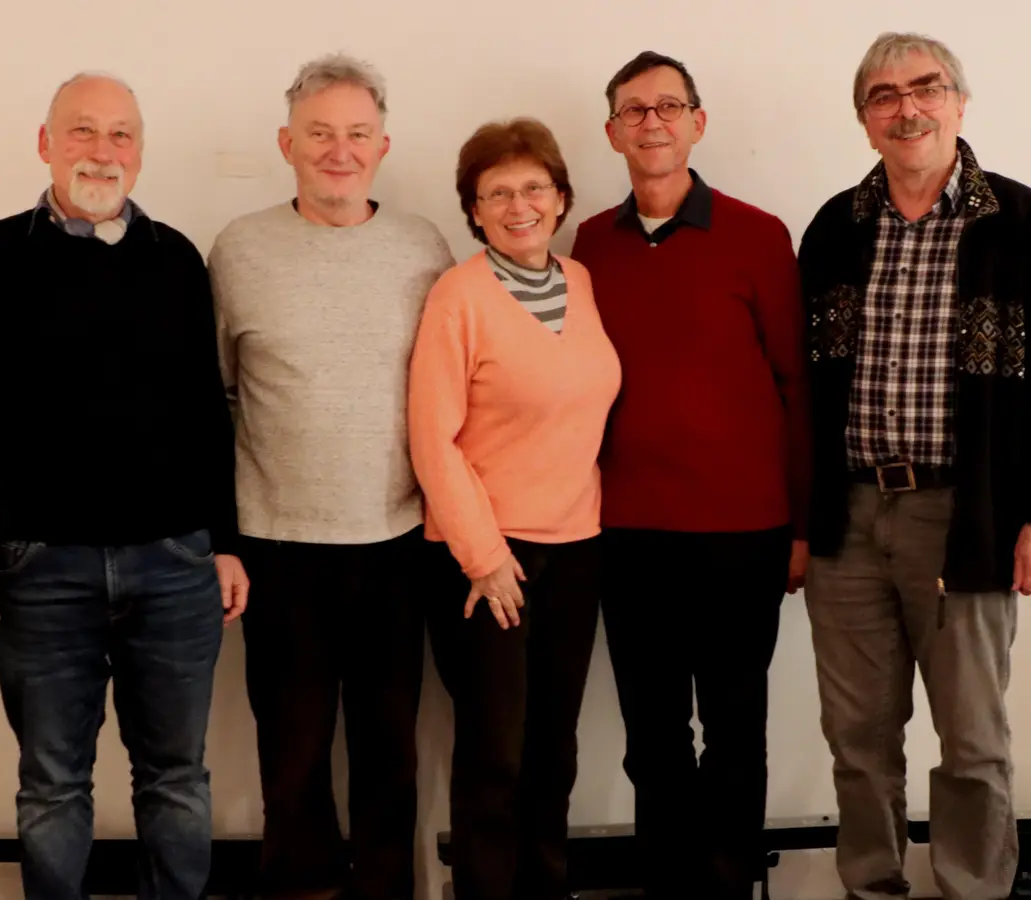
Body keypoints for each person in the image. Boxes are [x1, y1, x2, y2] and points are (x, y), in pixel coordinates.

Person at [0, 72, 246, 900]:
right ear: (46, 143)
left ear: (141, 151)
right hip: (40, 569)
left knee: (176, 775)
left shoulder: (176, 259)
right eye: (83, 131)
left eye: (121, 134)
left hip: (175, 564)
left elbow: (207, 415)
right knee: (53, 784)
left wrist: (227, 541)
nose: (103, 150)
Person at [797, 32, 1031, 900]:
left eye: (926, 89)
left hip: (966, 522)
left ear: (960, 104)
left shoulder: (1022, 224)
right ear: (865, 121)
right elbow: (801, 388)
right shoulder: (834, 229)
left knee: (972, 743)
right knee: (857, 740)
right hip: (849, 522)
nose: (907, 109)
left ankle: (974, 889)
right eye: (884, 96)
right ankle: (872, 888)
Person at [207, 53, 454, 900]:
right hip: (278, 548)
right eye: (319, 134)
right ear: (288, 144)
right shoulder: (239, 249)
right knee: (293, 759)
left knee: (390, 755)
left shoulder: (424, 247)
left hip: (398, 544)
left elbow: (453, 390)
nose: (338, 151)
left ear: (383, 146)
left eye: (356, 134)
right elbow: (215, 399)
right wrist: (221, 538)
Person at [570, 50, 810, 900]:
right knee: (652, 735)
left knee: (736, 729)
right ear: (612, 133)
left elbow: (796, 384)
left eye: (669, 106)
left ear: (697, 123)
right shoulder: (589, 245)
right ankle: (669, 885)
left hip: (744, 533)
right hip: (628, 532)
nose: (652, 122)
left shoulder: (758, 235)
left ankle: (729, 884)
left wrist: (804, 526)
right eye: (634, 110)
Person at [408, 117, 621, 900]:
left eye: (534, 188)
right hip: (486, 560)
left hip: (578, 549)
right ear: (474, 210)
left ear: (561, 198)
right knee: (495, 755)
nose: (518, 205)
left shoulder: (583, 282)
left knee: (554, 751)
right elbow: (432, 438)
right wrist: (485, 557)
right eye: (496, 193)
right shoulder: (458, 296)